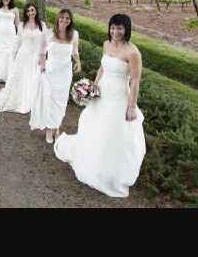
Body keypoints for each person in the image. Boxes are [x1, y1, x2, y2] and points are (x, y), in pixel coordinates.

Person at [54, 13, 146, 198]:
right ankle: (90, 162)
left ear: (126, 29)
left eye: (119, 28)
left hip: (119, 96)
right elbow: (103, 67)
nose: (115, 31)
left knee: (112, 132)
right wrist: (93, 86)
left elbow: (135, 82)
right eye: (113, 27)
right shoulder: (106, 44)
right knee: (92, 125)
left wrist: (131, 106)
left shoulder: (133, 52)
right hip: (102, 92)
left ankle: (109, 173)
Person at [30, 7, 81, 143]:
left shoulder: (74, 34)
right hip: (51, 71)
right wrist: (42, 66)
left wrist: (78, 62)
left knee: (61, 102)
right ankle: (49, 129)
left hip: (65, 73)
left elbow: (75, 52)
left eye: (67, 18)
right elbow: (41, 52)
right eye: (62, 17)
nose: (64, 20)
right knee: (49, 99)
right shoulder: (48, 33)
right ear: (58, 18)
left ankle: (56, 127)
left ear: (70, 21)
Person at [0, 3, 48, 112]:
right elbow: (17, 42)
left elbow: (45, 43)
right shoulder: (21, 25)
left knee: (33, 78)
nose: (30, 13)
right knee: (20, 77)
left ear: (36, 11)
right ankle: (18, 100)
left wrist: (43, 58)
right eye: (28, 11)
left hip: (36, 57)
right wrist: (13, 56)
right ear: (25, 13)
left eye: (32, 10)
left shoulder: (42, 25)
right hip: (23, 55)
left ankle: (31, 100)